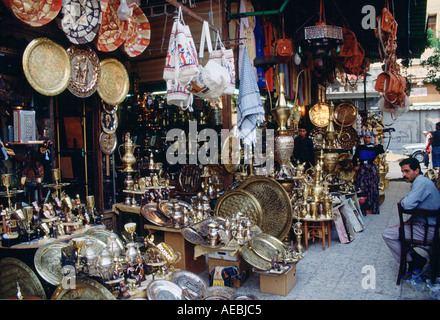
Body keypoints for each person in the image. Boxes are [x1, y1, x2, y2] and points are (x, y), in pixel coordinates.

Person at [382, 157, 440, 279]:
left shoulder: (421, 183)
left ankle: (414, 261)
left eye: (407, 171)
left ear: (417, 170)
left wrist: (404, 200)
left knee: (388, 234)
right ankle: (416, 259)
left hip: (428, 229)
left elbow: (407, 205)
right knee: (394, 229)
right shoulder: (422, 181)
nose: (404, 174)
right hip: (426, 225)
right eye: (402, 171)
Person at [352, 132, 385, 215]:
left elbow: (382, 150)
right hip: (362, 168)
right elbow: (355, 157)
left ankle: (372, 208)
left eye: (369, 138)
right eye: (366, 137)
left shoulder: (374, 148)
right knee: (362, 187)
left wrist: (377, 143)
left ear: (371, 138)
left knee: (372, 188)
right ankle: (363, 208)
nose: (367, 139)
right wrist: (356, 165)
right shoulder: (360, 147)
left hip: (371, 169)